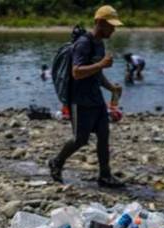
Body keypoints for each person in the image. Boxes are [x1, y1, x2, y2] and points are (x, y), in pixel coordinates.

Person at [48, 5, 124, 188]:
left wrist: (111, 87)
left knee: (104, 135)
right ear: (99, 22)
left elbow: (97, 74)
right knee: (80, 139)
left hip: (96, 99)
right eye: (110, 25)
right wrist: (102, 64)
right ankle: (56, 162)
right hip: (80, 100)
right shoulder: (84, 43)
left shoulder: (99, 43)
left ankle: (105, 175)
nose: (113, 29)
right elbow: (77, 72)